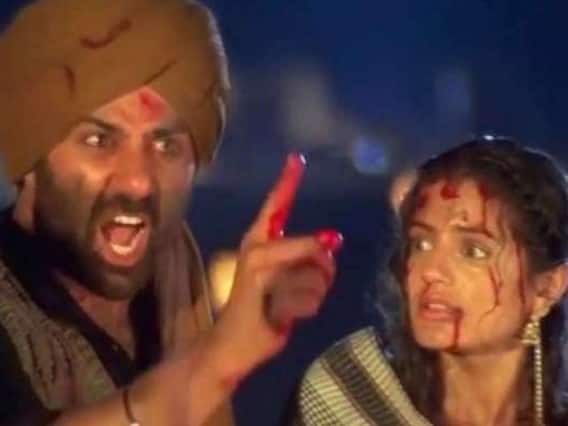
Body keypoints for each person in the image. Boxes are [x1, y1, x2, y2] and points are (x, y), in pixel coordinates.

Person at [0, 0, 342, 425]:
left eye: (166, 146)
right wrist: (215, 363)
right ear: (30, 157)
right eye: (99, 141)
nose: (139, 182)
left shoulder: (174, 270)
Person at [295, 137, 568, 425]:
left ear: (547, 288)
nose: (431, 271)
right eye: (421, 244)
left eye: (473, 251)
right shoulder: (348, 398)